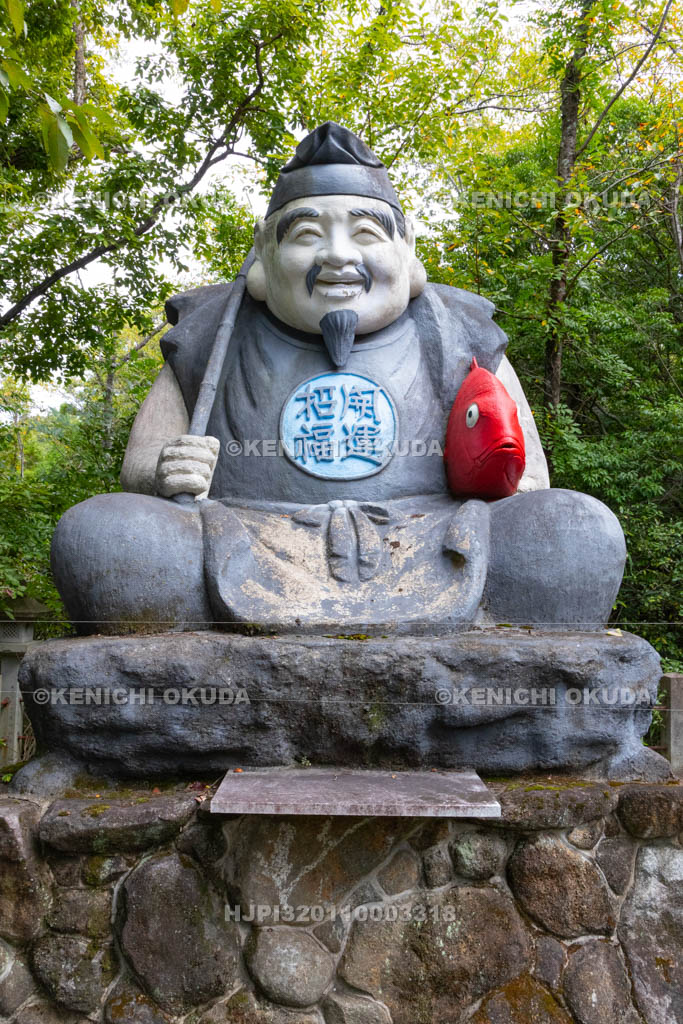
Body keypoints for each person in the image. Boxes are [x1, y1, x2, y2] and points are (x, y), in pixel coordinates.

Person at [51, 123, 626, 633]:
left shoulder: (459, 335)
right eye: (306, 235)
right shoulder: (210, 335)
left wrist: (501, 483)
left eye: (366, 234)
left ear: (407, 250)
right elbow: (141, 465)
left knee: (577, 529)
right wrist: (164, 468)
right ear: (263, 257)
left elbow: (532, 479)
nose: (337, 256)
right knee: (103, 532)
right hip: (241, 536)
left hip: (435, 539)